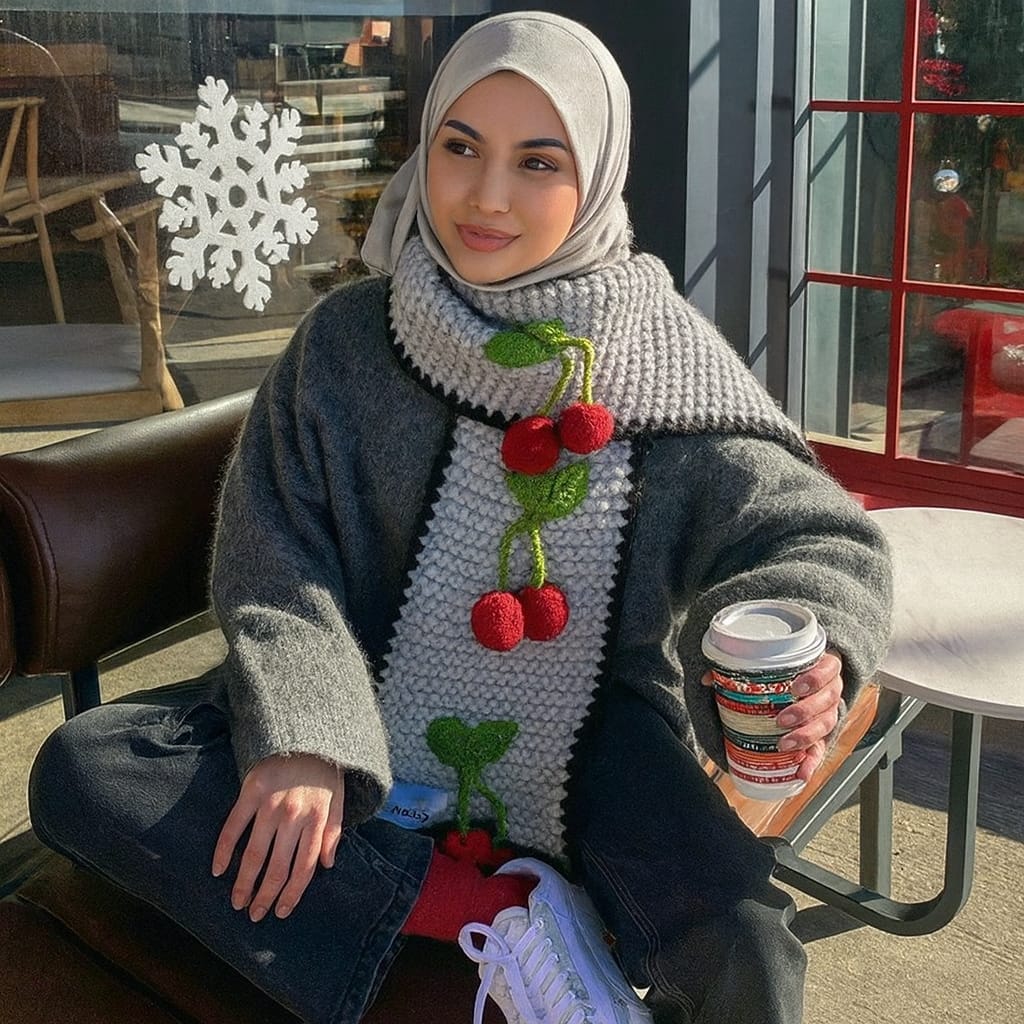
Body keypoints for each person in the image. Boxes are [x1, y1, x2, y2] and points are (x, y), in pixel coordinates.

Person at [28, 11, 892, 1024]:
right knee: (86, 769)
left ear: (598, 177)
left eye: (538, 162)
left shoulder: (665, 366)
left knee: (743, 939)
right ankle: (508, 914)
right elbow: (275, 552)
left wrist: (811, 646)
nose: (485, 196)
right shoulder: (345, 343)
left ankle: (380, 895)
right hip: (354, 684)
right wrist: (302, 735)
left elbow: (817, 539)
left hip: (591, 730)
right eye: (461, 147)